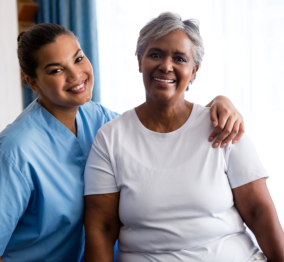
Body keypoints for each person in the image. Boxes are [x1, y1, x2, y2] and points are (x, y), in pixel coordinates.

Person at [0, 23, 244, 262]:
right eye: (56, 70)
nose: (75, 75)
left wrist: (218, 104)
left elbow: (158, 129)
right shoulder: (15, 152)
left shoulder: (97, 118)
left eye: (78, 59)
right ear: (33, 83)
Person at [84, 12, 284, 262]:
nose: (166, 66)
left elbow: (258, 211)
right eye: (155, 54)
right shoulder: (110, 138)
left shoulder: (223, 125)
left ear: (193, 70)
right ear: (139, 61)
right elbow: (101, 228)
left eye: (179, 58)